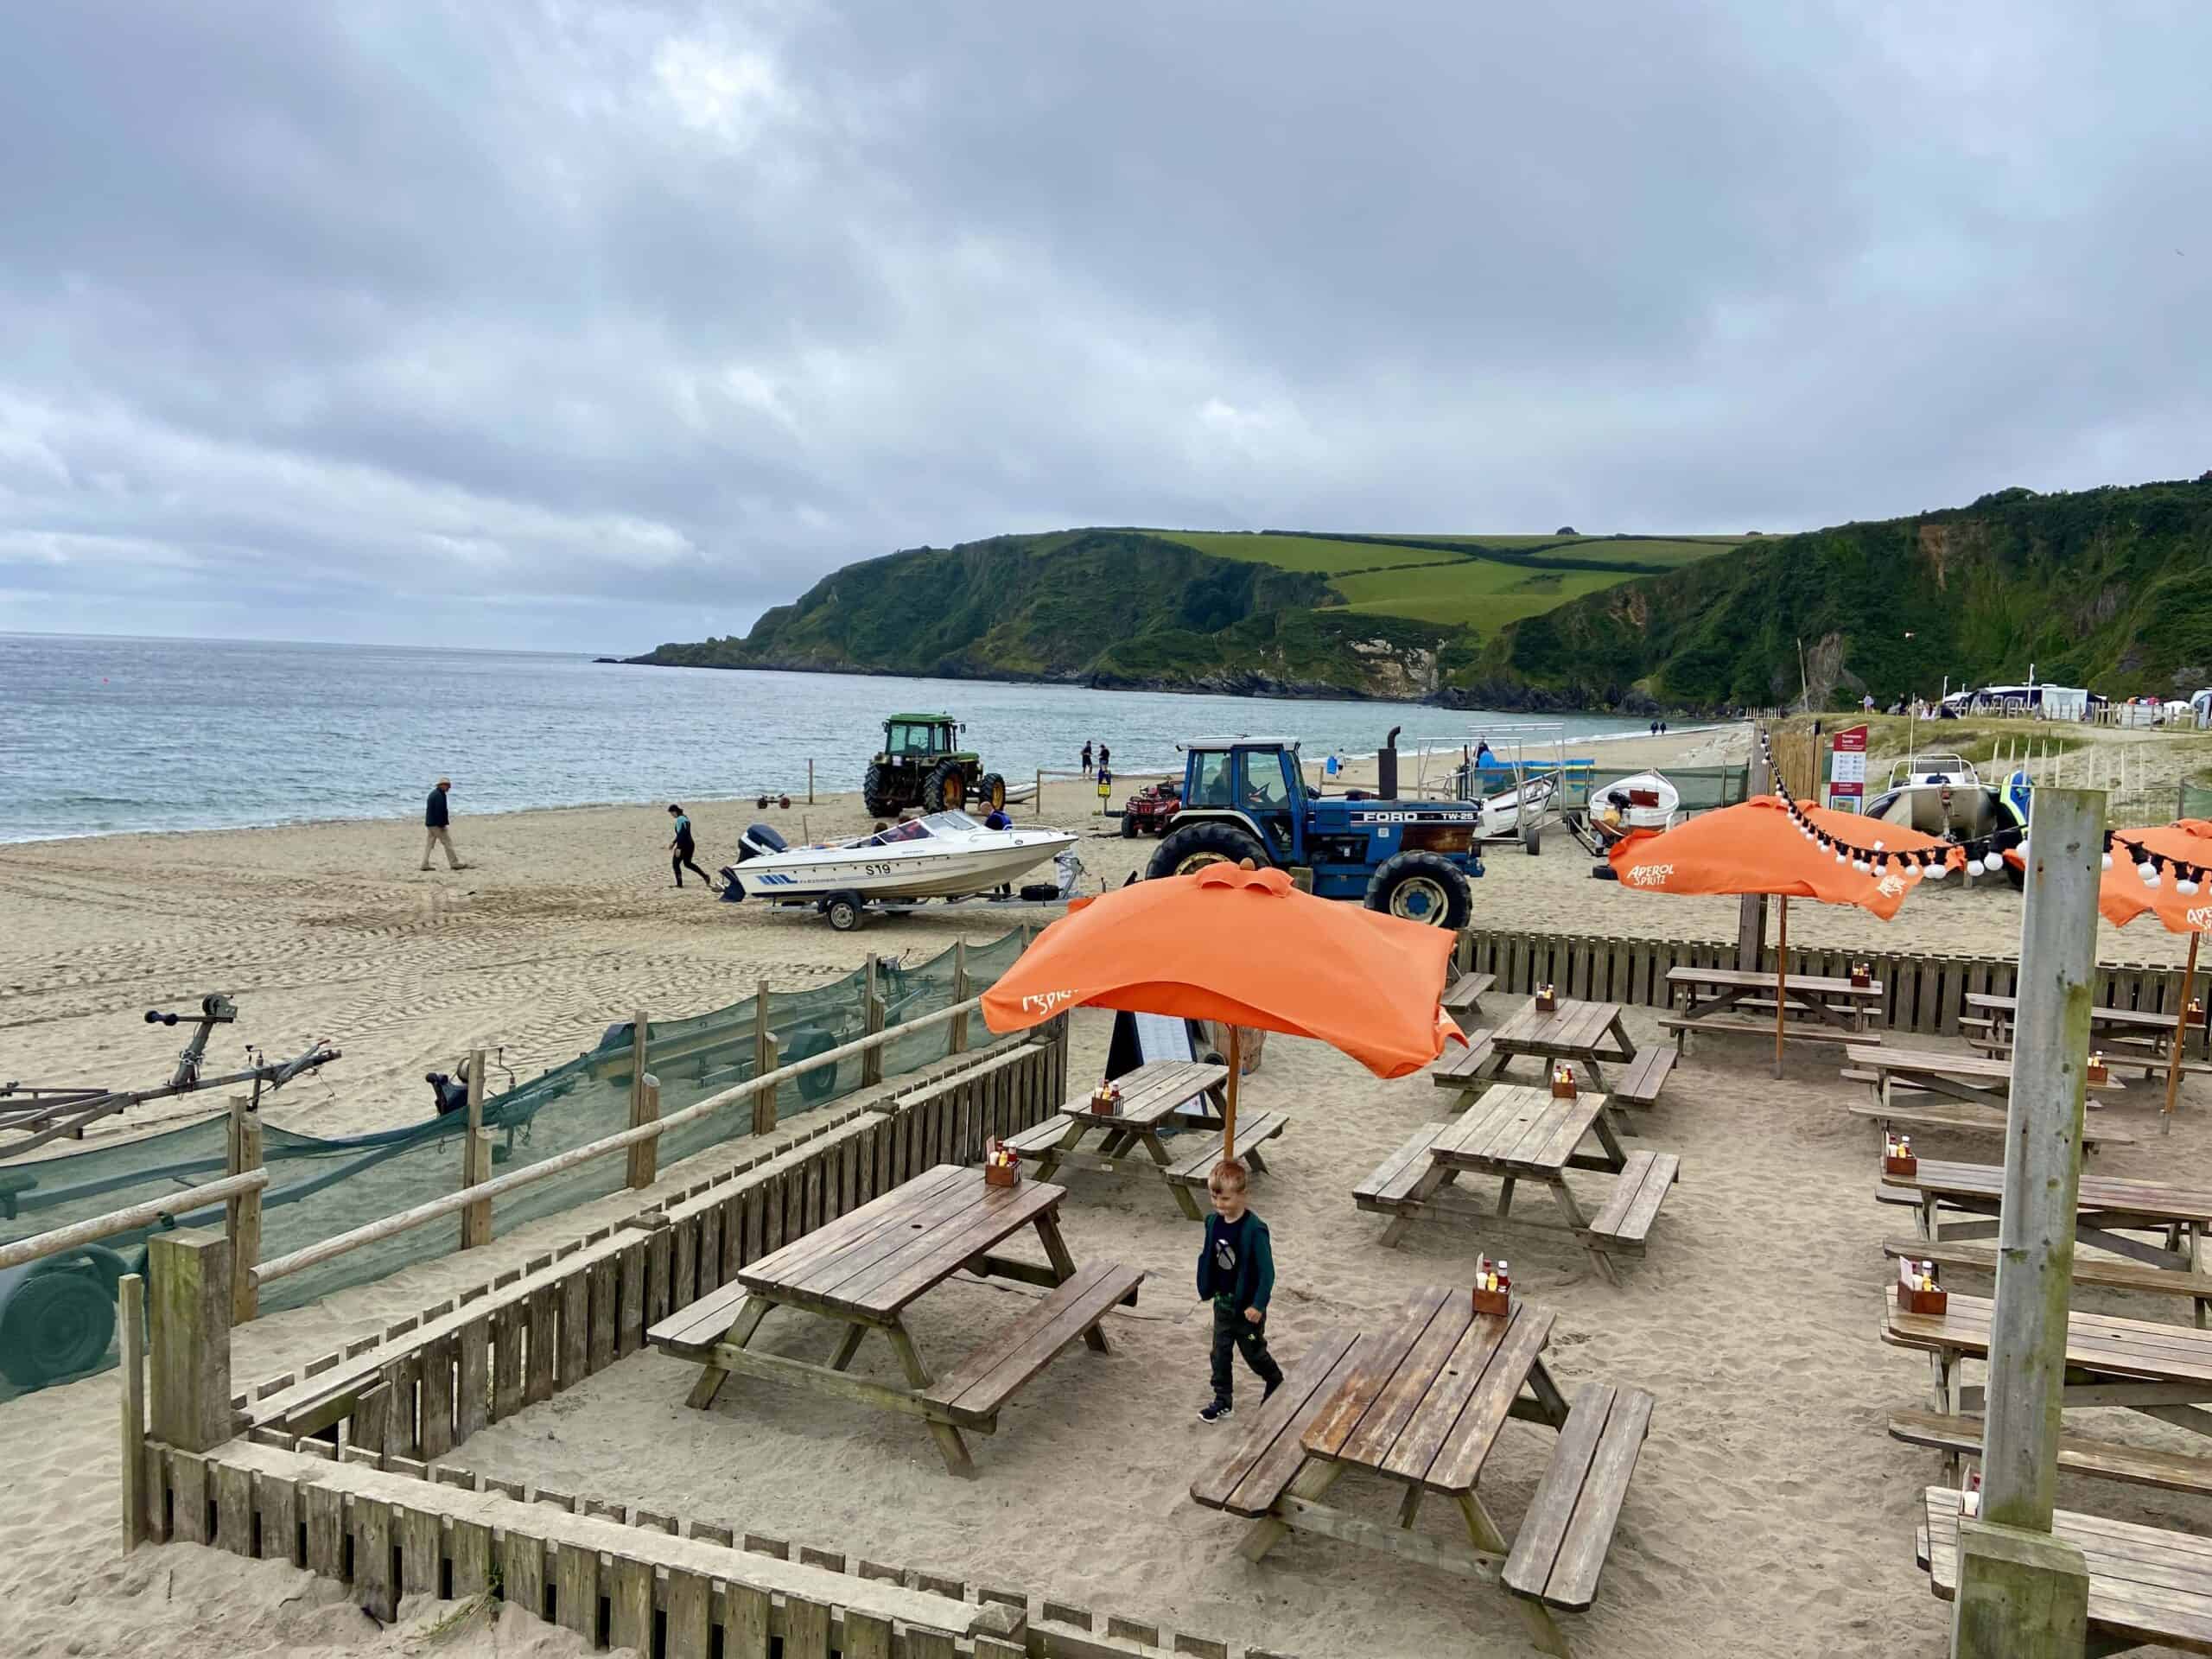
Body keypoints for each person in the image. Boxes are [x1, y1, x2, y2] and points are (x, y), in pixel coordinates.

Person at [1195, 1159, 1281, 1422]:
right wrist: (1205, 1284)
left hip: (1246, 1307)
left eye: (1226, 1200)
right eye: (1214, 1197)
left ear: (1244, 1195)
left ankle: (1275, 1381)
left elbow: (1267, 1273)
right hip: (1222, 1303)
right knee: (1219, 1352)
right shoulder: (1212, 1222)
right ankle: (1223, 1399)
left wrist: (1258, 1305)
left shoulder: (1254, 1230)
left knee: (1253, 1352)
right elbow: (1208, 1255)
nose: (1220, 1205)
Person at [421, 778, 467, 870]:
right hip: (436, 824)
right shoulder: (438, 795)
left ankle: (424, 864)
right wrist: (442, 825)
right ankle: (454, 863)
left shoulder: (435, 793)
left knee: (429, 844)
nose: (449, 788)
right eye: (447, 786)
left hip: (430, 823)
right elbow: (439, 812)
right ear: (442, 785)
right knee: (447, 843)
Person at [667, 804, 709, 888]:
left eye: (672, 813)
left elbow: (683, 834)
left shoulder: (680, 819)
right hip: (690, 844)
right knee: (687, 863)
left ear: (675, 812)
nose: (672, 815)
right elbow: (682, 834)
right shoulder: (685, 818)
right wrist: (674, 842)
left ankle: (679, 885)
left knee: (675, 864)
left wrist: (679, 847)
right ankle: (705, 876)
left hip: (684, 844)